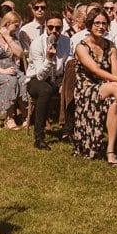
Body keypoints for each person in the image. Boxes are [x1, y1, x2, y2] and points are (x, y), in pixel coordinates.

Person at [73, 8, 117, 165]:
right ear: (90, 24)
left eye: (104, 23)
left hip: (107, 87)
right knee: (116, 86)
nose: (101, 26)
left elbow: (116, 71)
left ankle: (110, 151)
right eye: (97, 23)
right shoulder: (81, 47)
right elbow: (95, 70)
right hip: (86, 90)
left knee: (115, 104)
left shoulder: (111, 46)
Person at [26, 12, 71, 150]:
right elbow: (40, 76)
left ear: (62, 28)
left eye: (58, 28)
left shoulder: (66, 41)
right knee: (45, 90)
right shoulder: (37, 44)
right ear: (45, 27)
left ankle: (69, 131)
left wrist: (65, 82)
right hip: (36, 79)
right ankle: (39, 137)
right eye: (51, 27)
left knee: (72, 86)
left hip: (57, 77)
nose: (54, 31)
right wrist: (49, 59)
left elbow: (68, 64)